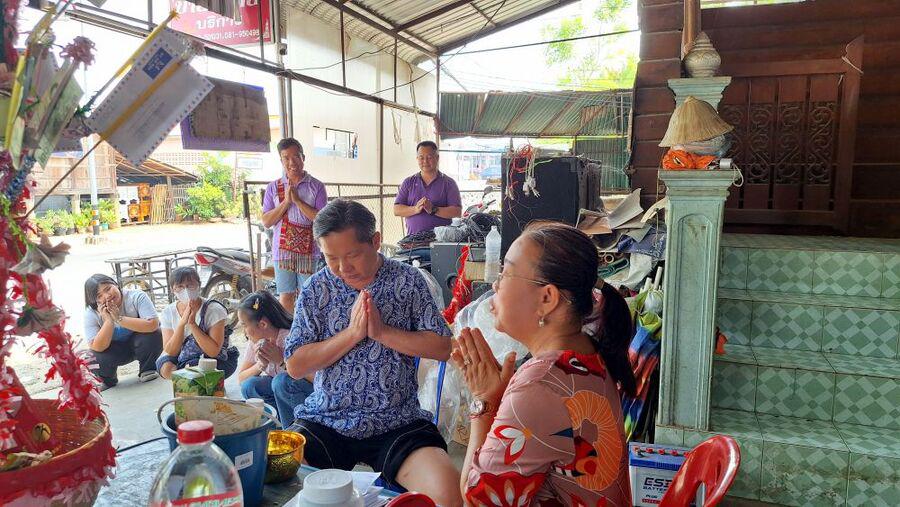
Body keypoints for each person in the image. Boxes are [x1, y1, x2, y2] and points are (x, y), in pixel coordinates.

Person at [283, 199, 462, 507]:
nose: (342, 268)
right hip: (327, 418)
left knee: (448, 496)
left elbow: (442, 347)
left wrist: (382, 332)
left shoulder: (407, 281)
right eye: (331, 258)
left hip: (398, 420)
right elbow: (295, 365)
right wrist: (352, 334)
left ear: (376, 241)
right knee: (279, 479)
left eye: (352, 255)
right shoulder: (316, 289)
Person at [452, 222, 636, 506]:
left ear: (547, 298)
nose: (495, 285)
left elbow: (476, 501)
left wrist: (484, 403)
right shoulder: (586, 353)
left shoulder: (539, 386)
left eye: (505, 273)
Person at [262, 137, 328, 312]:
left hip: (309, 252)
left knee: (308, 295)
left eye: (296, 156)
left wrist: (298, 201)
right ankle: (288, 328)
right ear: (281, 160)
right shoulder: (273, 187)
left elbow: (322, 219)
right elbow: (267, 221)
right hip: (282, 252)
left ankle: (306, 327)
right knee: (286, 296)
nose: (292, 162)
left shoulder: (317, 186)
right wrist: (286, 202)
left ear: (303, 157)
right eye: (286, 158)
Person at [237, 291, 314, 428]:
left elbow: (316, 378)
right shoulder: (256, 341)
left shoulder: (291, 337)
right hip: (283, 393)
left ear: (263, 324)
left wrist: (281, 361)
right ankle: (278, 424)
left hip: (308, 393)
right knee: (250, 385)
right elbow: (241, 378)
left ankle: (298, 428)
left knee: (281, 381)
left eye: (244, 325)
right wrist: (260, 364)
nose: (244, 332)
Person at [83, 274, 163, 391]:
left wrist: (119, 319)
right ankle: (108, 380)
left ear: (116, 284)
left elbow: (153, 324)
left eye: (108, 289)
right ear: (95, 301)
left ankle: (147, 369)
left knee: (155, 333)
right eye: (99, 296)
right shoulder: (91, 313)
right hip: (114, 351)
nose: (107, 296)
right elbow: (96, 346)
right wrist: (109, 321)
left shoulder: (136, 296)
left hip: (140, 344)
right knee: (91, 357)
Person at [155, 267, 238, 379]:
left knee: (195, 367)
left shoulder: (214, 309)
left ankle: (197, 383)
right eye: (180, 287)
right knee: (165, 367)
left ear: (199, 285)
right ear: (172, 290)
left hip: (219, 358)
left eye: (190, 285)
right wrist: (182, 324)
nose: (186, 290)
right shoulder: (168, 312)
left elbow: (213, 351)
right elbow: (170, 351)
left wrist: (192, 324)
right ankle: (189, 383)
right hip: (184, 355)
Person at [393, 140, 462, 237]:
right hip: (413, 241)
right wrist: (415, 209)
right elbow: (397, 210)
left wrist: (433, 209)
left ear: (437, 158)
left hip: (441, 241)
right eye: (421, 157)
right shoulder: (408, 182)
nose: (425, 161)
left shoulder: (449, 183)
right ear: (417, 158)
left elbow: (457, 212)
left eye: (429, 157)